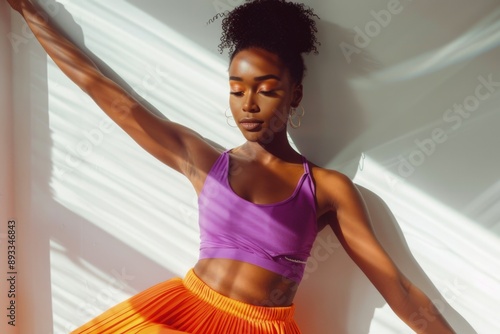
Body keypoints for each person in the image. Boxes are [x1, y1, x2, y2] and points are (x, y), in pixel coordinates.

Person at [7, 0, 457, 333]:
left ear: (295, 93)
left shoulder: (327, 189)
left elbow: (397, 288)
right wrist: (30, 12)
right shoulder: (202, 159)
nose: (249, 104)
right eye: (237, 88)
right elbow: (109, 96)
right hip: (181, 313)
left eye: (266, 89)